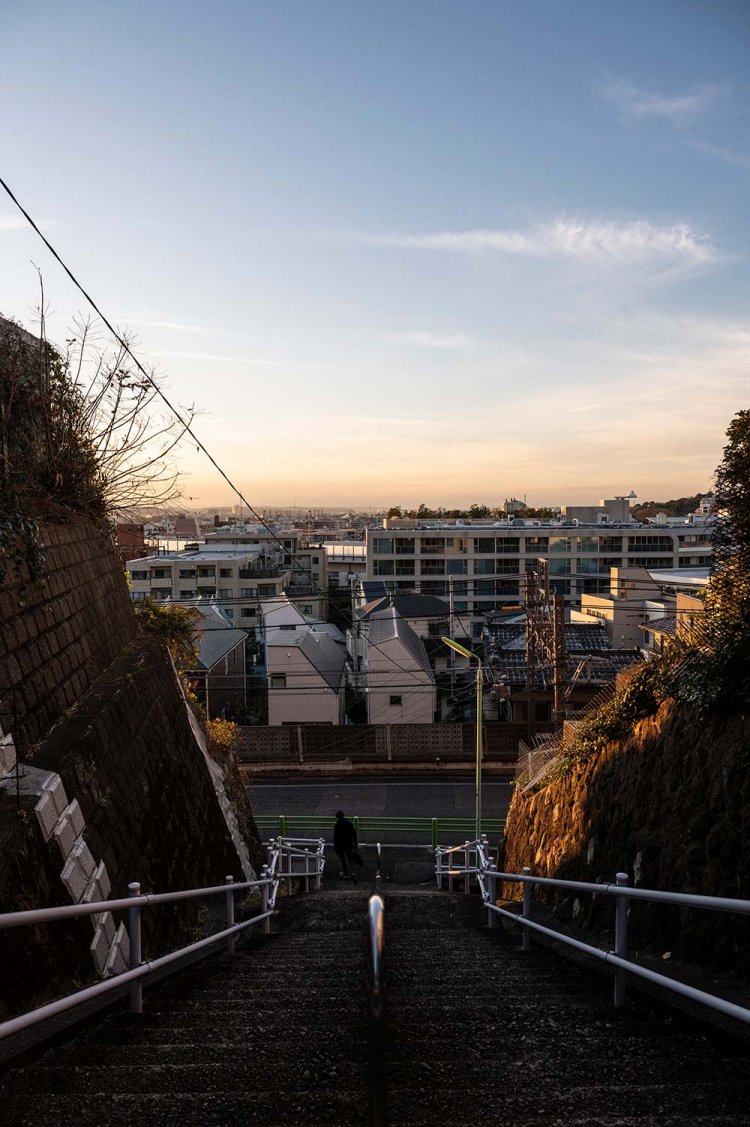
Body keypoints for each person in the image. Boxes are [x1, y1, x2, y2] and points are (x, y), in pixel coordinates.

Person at [333, 810, 358, 881]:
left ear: (337, 817)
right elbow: (354, 835)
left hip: (340, 845)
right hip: (349, 844)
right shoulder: (349, 824)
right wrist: (355, 845)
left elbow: (336, 838)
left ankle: (346, 873)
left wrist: (335, 848)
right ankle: (353, 872)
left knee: (343, 860)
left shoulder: (337, 826)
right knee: (350, 858)